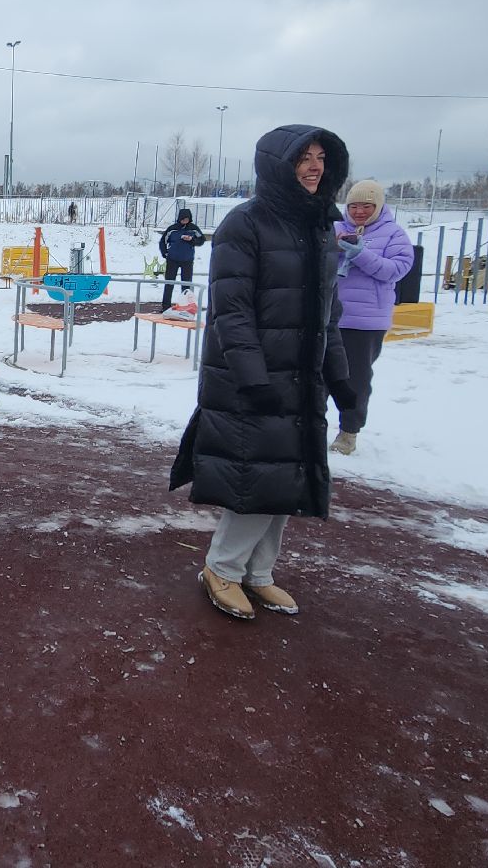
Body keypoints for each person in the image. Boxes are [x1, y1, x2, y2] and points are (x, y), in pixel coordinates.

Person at [170, 125, 357, 621]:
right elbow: (232, 312)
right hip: (251, 378)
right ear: (279, 165)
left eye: (321, 157)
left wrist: (341, 380)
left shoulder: (321, 227)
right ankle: (222, 569)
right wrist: (254, 378)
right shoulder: (245, 223)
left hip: (301, 378)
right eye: (303, 158)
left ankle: (258, 573)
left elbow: (328, 314)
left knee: (286, 478)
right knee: (254, 480)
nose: (314, 167)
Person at [331, 179, 414, 455]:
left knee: (355, 379)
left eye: (367, 206)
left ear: (378, 207)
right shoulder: (335, 228)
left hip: (365, 321)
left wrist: (361, 254)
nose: (359, 211)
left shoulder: (393, 234)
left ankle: (348, 431)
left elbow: (396, 269)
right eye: (353, 206)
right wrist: (332, 249)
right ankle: (311, 427)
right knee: (317, 376)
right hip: (330, 316)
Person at [159, 208, 206, 310]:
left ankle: (185, 307)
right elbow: (162, 241)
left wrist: (192, 240)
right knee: (169, 283)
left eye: (187, 219)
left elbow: (202, 240)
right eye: (183, 219)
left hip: (187, 260)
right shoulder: (172, 229)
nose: (185, 221)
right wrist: (165, 253)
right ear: (180, 218)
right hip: (172, 260)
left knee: (186, 285)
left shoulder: (194, 228)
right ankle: (165, 306)